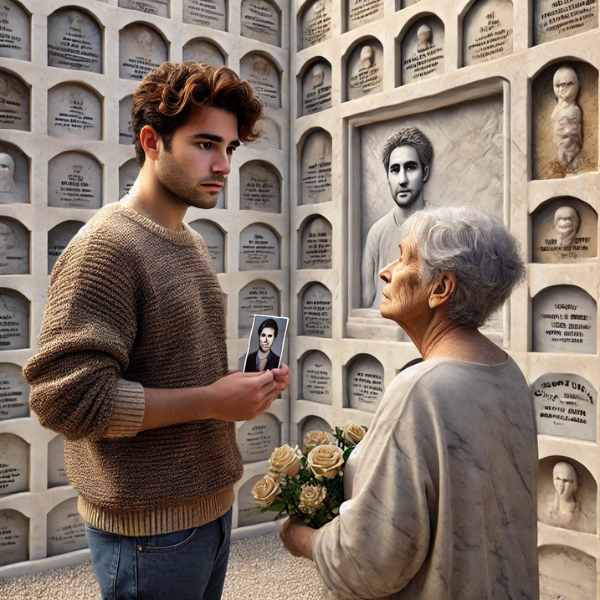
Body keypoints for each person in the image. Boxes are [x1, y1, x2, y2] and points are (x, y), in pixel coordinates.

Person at [23, 61, 290, 600]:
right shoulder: (106, 249)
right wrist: (213, 400)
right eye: (205, 144)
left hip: (209, 508)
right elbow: (66, 401)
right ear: (152, 141)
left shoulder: (187, 241)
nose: (223, 165)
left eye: (231, 149)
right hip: (148, 533)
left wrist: (240, 390)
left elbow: (175, 364)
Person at [281, 205, 538, 599]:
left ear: (441, 289)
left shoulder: (421, 389)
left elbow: (370, 563)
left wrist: (302, 538)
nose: (385, 270)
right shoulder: (507, 371)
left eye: (404, 257)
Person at [361, 126, 433, 308]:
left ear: (424, 173)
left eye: (410, 167)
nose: (402, 179)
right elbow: (367, 299)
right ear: (387, 176)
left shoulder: (443, 226)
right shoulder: (376, 233)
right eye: (395, 170)